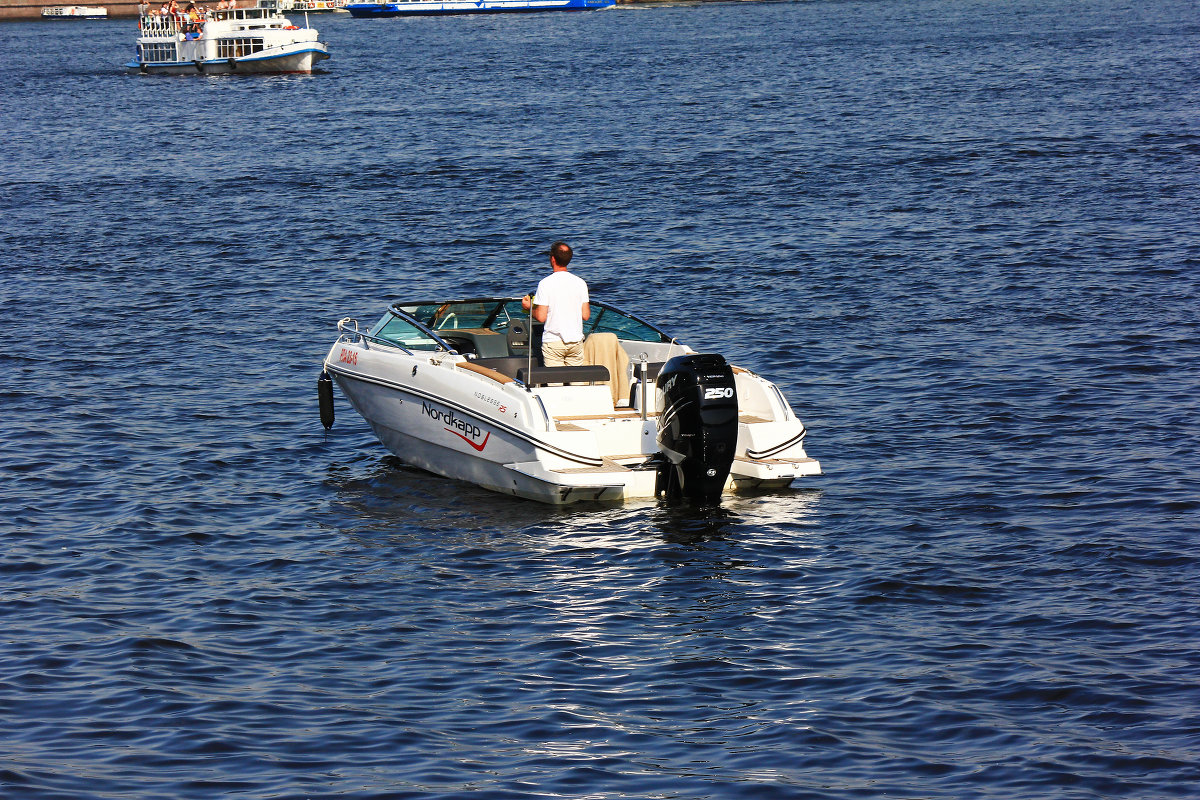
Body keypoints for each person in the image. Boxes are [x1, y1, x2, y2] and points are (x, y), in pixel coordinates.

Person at [522, 241, 590, 367]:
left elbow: (541, 317)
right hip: (575, 341)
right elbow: (586, 315)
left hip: (554, 342)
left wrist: (529, 307)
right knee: (577, 382)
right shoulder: (581, 283)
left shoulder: (545, 283)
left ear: (552, 259)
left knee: (555, 384)